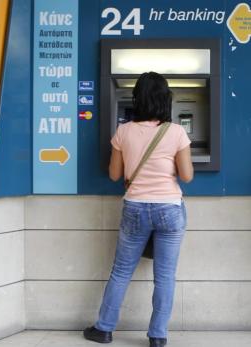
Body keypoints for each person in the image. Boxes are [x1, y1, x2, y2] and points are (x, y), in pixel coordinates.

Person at [83, 72, 194, 347]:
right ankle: (157, 336)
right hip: (169, 207)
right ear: (165, 99)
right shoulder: (177, 132)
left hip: (135, 207)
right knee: (165, 275)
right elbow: (187, 175)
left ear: (137, 99)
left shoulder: (123, 131)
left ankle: (104, 328)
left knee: (121, 271)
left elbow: (114, 174)